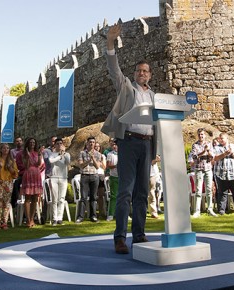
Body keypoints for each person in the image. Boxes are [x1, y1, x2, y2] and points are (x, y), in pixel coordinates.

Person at [102, 23, 154, 254]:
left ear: (150, 75)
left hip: (147, 145)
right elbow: (114, 69)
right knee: (125, 192)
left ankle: (140, 235)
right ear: (135, 74)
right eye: (139, 71)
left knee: (142, 192)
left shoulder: (154, 96)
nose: (142, 73)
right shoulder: (126, 88)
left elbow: (159, 124)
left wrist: (155, 151)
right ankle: (120, 238)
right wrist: (110, 43)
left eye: (145, 71)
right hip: (129, 142)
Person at [213, 132, 234, 215]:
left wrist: (232, 153)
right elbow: (215, 158)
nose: (221, 140)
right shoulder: (216, 148)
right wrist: (224, 154)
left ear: (227, 139)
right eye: (219, 139)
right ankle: (221, 210)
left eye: (222, 138)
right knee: (222, 193)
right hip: (221, 174)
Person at [16, 137, 44, 227]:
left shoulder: (37, 153)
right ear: (27, 143)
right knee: (27, 198)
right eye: (30, 142)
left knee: (35, 199)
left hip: (36, 174)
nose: (32, 144)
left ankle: (32, 219)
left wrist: (39, 156)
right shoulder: (23, 153)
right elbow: (26, 166)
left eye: (33, 142)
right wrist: (27, 156)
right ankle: (28, 220)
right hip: (28, 174)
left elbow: (38, 164)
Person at [0, 143, 18, 229]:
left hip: (8, 183)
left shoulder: (12, 161)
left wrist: (10, 168)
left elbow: (15, 175)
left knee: (7, 202)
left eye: (7, 148)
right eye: (4, 148)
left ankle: (4, 221)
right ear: (1, 150)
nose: (6, 149)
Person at [188, 128, 216, 217]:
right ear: (198, 135)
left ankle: (210, 209)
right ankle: (197, 210)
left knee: (209, 190)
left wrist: (207, 152)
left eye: (202, 134)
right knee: (198, 190)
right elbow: (194, 157)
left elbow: (212, 156)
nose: (201, 136)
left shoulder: (209, 144)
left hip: (208, 168)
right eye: (199, 134)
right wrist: (203, 152)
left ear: (205, 135)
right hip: (199, 169)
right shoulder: (195, 145)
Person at [76, 137, 103, 223]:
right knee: (83, 197)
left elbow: (98, 166)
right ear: (87, 143)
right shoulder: (82, 153)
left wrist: (93, 158)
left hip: (94, 176)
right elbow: (81, 165)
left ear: (95, 144)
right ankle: (80, 217)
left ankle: (93, 216)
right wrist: (88, 160)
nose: (91, 144)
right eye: (90, 142)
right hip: (85, 176)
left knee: (93, 197)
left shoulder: (98, 154)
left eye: (93, 142)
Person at [47, 138, 69, 225]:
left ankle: (60, 218)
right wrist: (60, 156)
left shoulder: (67, 154)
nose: (59, 145)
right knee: (54, 199)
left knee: (61, 198)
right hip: (54, 178)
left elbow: (67, 162)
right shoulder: (53, 154)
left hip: (63, 178)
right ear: (55, 145)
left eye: (61, 143)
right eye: (58, 144)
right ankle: (54, 218)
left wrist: (64, 154)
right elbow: (51, 161)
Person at [106, 140, 119, 221]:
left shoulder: (124, 153)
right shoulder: (110, 154)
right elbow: (108, 165)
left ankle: (124, 214)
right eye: (113, 145)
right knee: (114, 196)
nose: (114, 146)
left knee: (124, 196)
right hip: (114, 177)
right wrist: (117, 166)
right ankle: (111, 214)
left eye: (116, 145)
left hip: (123, 177)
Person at [148, 154, 162, 219]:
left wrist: (156, 159)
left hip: (152, 174)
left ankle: (153, 212)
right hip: (143, 174)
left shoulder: (152, 151)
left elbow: (158, 159)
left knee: (152, 193)